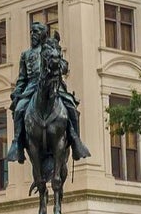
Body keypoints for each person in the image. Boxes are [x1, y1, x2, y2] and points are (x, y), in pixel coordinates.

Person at [7, 19, 91, 163]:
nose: (33, 35)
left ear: (43, 35)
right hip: (31, 88)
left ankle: (76, 141)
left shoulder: (51, 49)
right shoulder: (26, 54)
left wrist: (58, 65)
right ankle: (17, 144)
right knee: (20, 109)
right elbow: (22, 78)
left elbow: (64, 66)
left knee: (71, 107)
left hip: (54, 86)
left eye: (36, 32)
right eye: (31, 32)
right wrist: (17, 93)